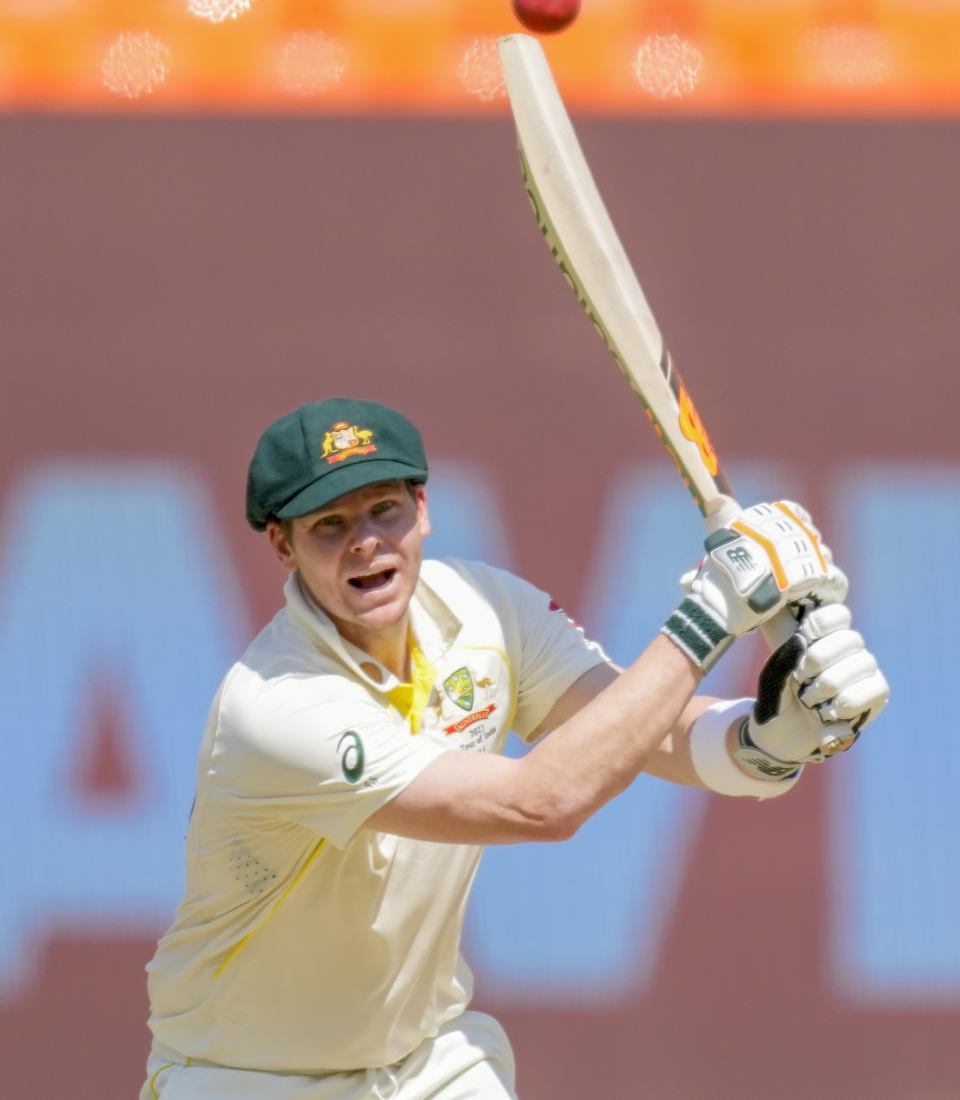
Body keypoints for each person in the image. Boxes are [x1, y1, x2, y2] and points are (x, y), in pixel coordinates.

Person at [139, 397, 888, 1100]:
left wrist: (762, 739)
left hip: (424, 1064)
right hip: (247, 1076)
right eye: (329, 526)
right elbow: (542, 802)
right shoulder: (279, 705)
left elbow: (635, 726)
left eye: (384, 509)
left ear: (423, 509)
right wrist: (711, 614)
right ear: (282, 545)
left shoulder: (485, 607)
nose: (366, 542)